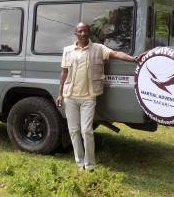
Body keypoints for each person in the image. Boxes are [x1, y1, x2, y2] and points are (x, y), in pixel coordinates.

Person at [56, 22, 143, 171]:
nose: (83, 34)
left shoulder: (99, 48)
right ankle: (79, 163)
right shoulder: (68, 51)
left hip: (88, 97)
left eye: (85, 31)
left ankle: (90, 165)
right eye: (80, 31)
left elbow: (116, 54)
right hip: (69, 96)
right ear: (76, 34)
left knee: (87, 130)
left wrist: (134, 59)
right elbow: (64, 72)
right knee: (73, 130)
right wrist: (60, 94)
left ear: (89, 33)